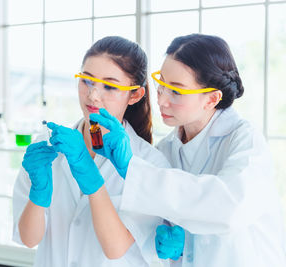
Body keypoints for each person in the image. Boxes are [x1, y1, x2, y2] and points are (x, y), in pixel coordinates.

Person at [87, 33, 286, 267]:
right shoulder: (167, 150)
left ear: (211, 99)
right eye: (161, 86)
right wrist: (180, 246)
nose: (161, 101)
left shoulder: (246, 142)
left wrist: (134, 170)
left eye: (177, 92)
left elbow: (229, 209)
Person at [12, 36, 171, 267]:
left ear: (134, 95)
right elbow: (29, 238)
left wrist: (90, 178)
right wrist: (39, 193)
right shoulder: (48, 146)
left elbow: (115, 248)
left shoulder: (149, 163)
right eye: (87, 81)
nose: (93, 95)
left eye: (109, 86)